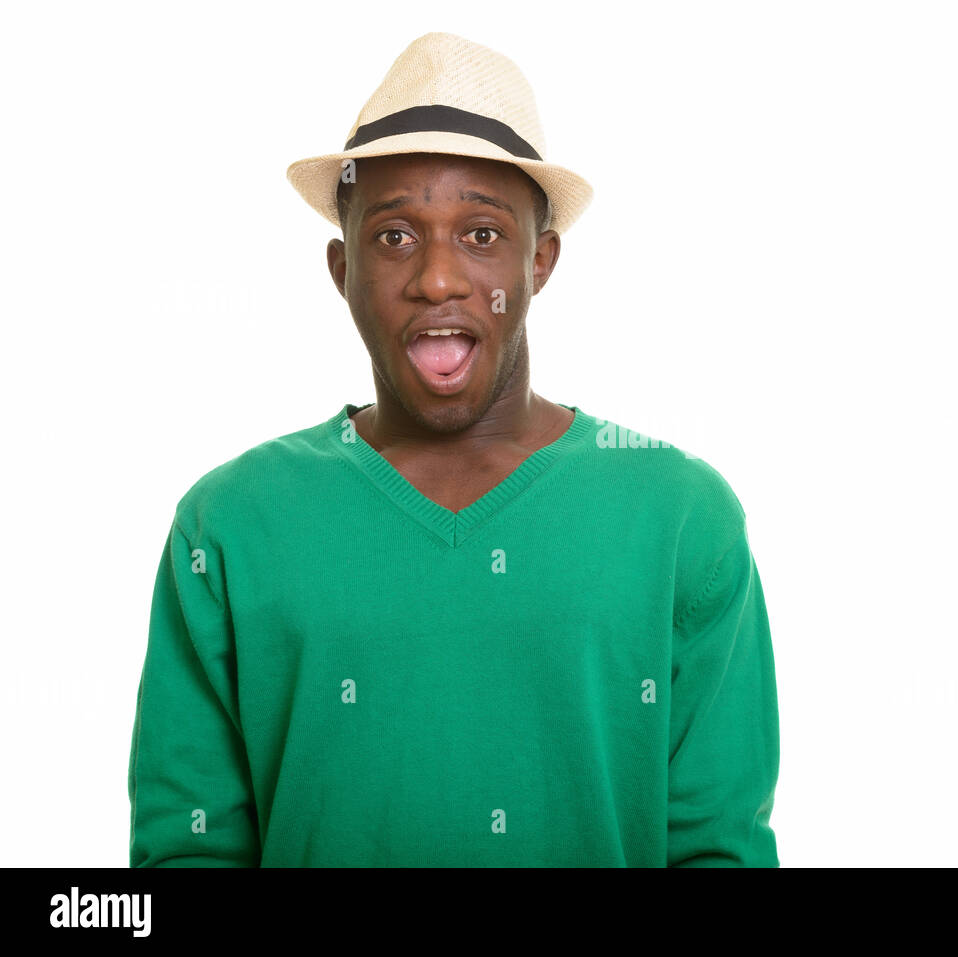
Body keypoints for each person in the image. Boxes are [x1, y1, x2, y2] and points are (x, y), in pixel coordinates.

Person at [127, 31, 780, 867]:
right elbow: (186, 848)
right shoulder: (225, 526)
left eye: (481, 234)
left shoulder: (684, 519)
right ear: (342, 267)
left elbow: (718, 848)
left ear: (539, 260)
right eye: (395, 236)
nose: (437, 278)